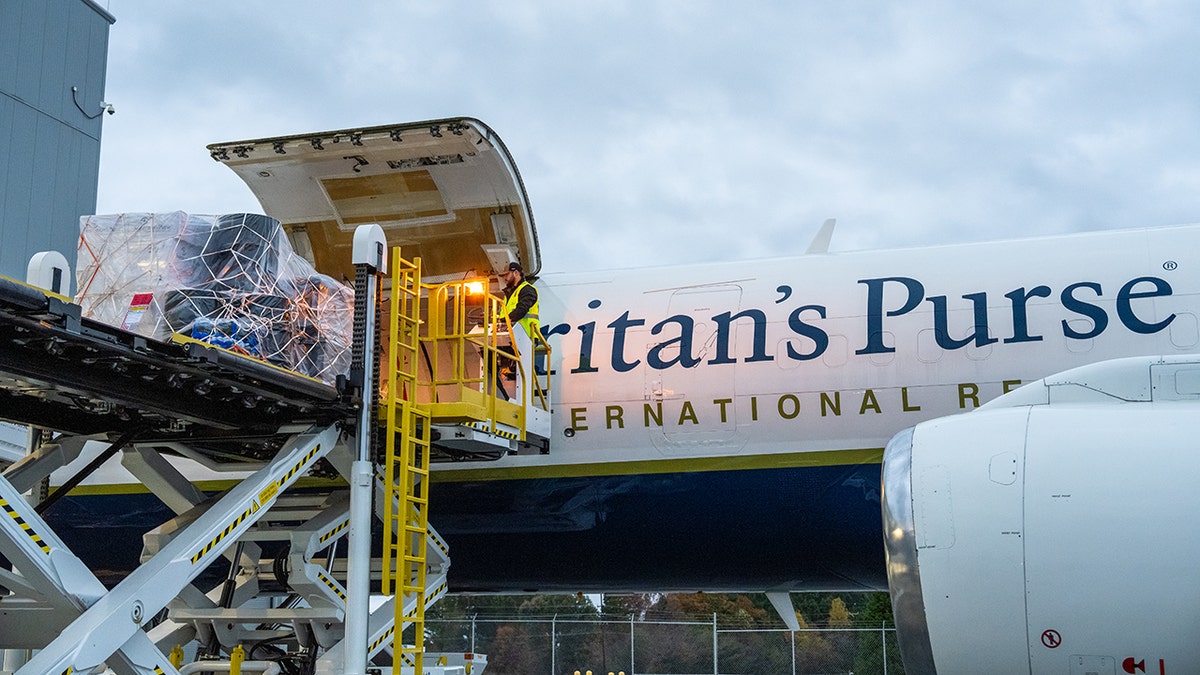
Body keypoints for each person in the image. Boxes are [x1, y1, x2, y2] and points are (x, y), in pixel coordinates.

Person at [501, 261, 539, 340]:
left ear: (516, 273)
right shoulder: (508, 294)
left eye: (507, 274)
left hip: (526, 336)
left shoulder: (527, 290)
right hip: (513, 336)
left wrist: (505, 320)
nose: (505, 278)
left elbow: (521, 310)